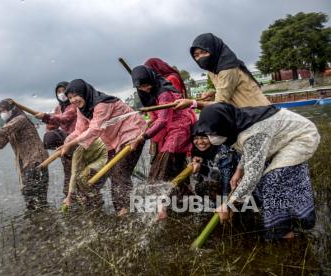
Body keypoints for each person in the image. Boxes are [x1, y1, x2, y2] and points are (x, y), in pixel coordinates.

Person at [195, 102, 319, 240]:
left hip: (300, 137)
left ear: (224, 124)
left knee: (272, 180)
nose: (210, 137)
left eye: (214, 132)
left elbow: (253, 173)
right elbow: (248, 150)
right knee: (262, 182)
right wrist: (239, 170)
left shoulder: (254, 131)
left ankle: (282, 230)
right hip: (277, 138)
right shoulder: (237, 123)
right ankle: (284, 220)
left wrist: (228, 205)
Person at [60, 79, 147, 216]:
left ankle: (124, 211)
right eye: (70, 98)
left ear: (84, 92)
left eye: (75, 95)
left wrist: (72, 143)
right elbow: (79, 130)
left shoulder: (102, 104)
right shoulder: (82, 109)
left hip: (132, 134)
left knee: (119, 173)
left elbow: (95, 130)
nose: (73, 100)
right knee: (113, 172)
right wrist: (67, 142)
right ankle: (118, 208)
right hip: (113, 142)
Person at [0, 99, 49, 210]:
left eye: (4, 109)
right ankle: (40, 218)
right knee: (33, 197)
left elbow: (5, 130)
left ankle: (41, 219)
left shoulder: (20, 119)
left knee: (30, 193)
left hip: (36, 159)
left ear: (12, 108)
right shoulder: (12, 123)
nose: (2, 113)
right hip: (27, 163)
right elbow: (2, 139)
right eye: (0, 111)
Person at [129, 65, 196, 183]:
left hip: (180, 128)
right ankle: (181, 194)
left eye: (147, 85)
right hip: (166, 130)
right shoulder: (146, 93)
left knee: (164, 165)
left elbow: (163, 120)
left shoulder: (164, 92)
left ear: (151, 79)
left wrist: (142, 137)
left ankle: (167, 193)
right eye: (141, 87)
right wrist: (148, 124)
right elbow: (155, 116)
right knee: (171, 167)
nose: (145, 89)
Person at [174, 33, 271, 110]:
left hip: (259, 111)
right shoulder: (212, 70)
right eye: (196, 55)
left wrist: (193, 103)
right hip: (244, 112)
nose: (200, 57)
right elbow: (228, 92)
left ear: (214, 50)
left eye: (204, 52)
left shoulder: (228, 69)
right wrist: (214, 94)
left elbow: (220, 105)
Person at [35, 81, 77, 196]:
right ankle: (69, 196)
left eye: (64, 91)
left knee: (78, 171)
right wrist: (50, 132)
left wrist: (45, 116)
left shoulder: (74, 105)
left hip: (77, 141)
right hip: (65, 145)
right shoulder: (58, 108)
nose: (61, 94)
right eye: (59, 92)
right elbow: (51, 125)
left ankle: (82, 196)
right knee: (68, 171)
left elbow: (64, 118)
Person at [63, 138, 108, 209]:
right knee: (80, 180)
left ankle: (92, 197)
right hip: (94, 158)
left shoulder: (77, 152)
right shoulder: (77, 143)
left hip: (103, 158)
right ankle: (88, 198)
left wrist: (68, 197)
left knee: (81, 177)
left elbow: (74, 175)